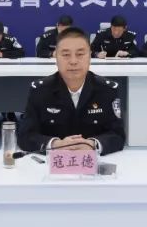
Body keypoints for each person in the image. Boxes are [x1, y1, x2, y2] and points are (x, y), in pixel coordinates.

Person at [18, 27, 125, 155]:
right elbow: (25, 136)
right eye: (66, 55)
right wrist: (54, 144)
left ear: (90, 56)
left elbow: (117, 135)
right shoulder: (40, 91)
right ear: (56, 57)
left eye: (80, 54)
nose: (73, 61)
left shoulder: (107, 90)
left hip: (93, 161)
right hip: (52, 162)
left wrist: (92, 144)